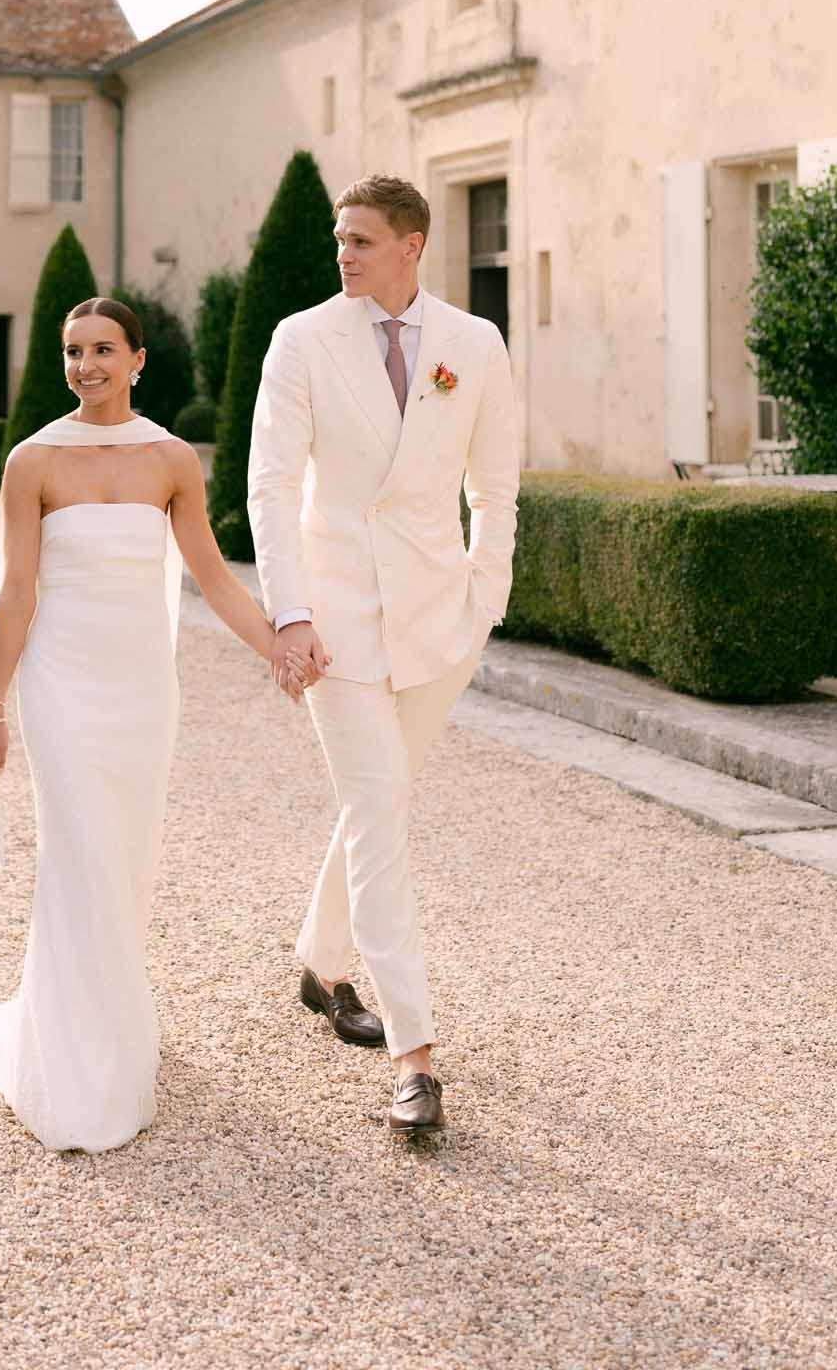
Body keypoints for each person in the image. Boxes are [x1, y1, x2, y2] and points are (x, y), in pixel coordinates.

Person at [0, 296, 304, 1154]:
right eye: (72, 352)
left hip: (141, 688)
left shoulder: (171, 459)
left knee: (124, 857)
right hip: (60, 684)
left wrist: (277, 644)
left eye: (102, 350)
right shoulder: (32, 461)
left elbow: (212, 576)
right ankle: (72, 1059)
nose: (85, 366)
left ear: (137, 360)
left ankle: (114, 1022)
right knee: (77, 852)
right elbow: (16, 591)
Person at [248, 174, 519, 1135]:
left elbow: (494, 488)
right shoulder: (301, 339)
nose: (343, 254)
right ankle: (415, 1056)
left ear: (412, 245)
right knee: (379, 818)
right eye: (338, 239)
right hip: (336, 625)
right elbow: (271, 486)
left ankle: (320, 966)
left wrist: (485, 599)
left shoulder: (474, 344)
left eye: (361, 240)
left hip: (441, 624)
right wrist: (288, 615)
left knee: (379, 802)